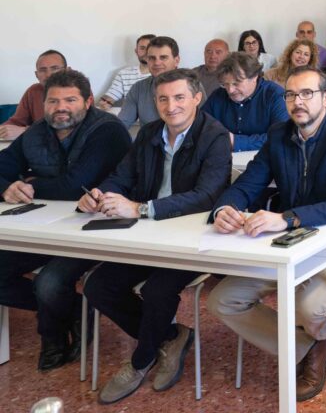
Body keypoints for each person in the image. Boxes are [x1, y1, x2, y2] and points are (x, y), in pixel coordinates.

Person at [208, 66, 326, 403]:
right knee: (223, 300)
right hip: (289, 243)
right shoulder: (278, 134)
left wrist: (287, 218)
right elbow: (249, 182)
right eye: (290, 94)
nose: (297, 102)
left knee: (310, 307)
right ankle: (309, 346)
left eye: (306, 94)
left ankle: (319, 338)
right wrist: (225, 208)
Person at [79, 69, 231, 404]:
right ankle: (171, 336)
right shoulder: (149, 132)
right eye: (163, 98)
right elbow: (122, 176)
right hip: (147, 236)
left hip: (192, 238)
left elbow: (207, 195)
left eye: (179, 97)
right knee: (98, 286)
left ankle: (139, 361)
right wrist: (100, 193)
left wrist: (142, 208)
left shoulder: (215, 136)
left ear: (197, 98)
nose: (170, 105)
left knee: (157, 290)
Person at [0, 69, 130, 371]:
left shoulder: (108, 130)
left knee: (49, 283)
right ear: (43, 104)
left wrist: (30, 184)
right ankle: (76, 309)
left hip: (96, 228)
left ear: (88, 102)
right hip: (43, 229)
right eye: (53, 101)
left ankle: (52, 338)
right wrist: (6, 187)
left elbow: (75, 186)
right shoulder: (36, 132)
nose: (61, 108)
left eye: (70, 100)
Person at [205, 52, 289, 152]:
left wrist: (236, 142)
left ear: (254, 77)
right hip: (223, 157)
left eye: (236, 83)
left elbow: (280, 136)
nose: (230, 90)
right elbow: (201, 127)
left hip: (265, 157)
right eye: (225, 84)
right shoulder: (218, 95)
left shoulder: (275, 95)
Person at [0, 50, 67, 140]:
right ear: (36, 75)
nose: (48, 75)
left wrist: (26, 131)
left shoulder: (79, 91)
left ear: (67, 71)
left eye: (55, 68)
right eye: (43, 70)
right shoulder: (33, 91)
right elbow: (16, 122)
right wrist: (3, 130)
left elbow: (71, 130)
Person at [119, 36, 181, 128]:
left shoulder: (192, 86)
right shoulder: (138, 88)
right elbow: (122, 124)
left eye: (163, 57)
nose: (157, 63)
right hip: (148, 137)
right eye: (152, 58)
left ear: (176, 60)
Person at [98, 34, 154, 109]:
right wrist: (105, 103)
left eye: (150, 48)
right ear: (136, 51)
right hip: (129, 115)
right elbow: (110, 97)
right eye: (142, 48)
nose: (146, 52)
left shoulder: (164, 74)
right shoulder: (124, 73)